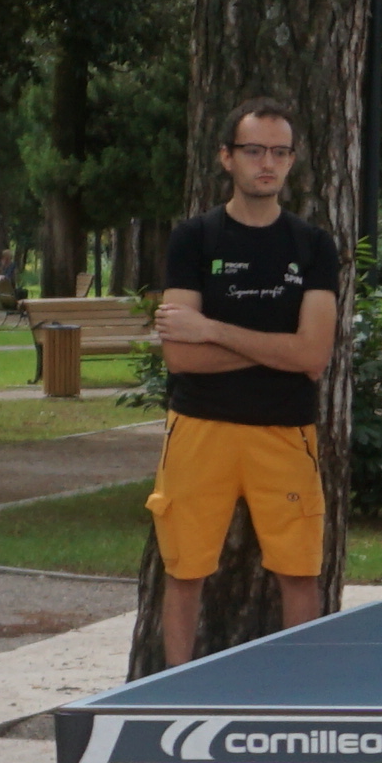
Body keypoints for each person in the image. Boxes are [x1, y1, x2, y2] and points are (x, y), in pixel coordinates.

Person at [150, 98, 346, 657]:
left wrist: (210, 328)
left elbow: (314, 355)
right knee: (185, 570)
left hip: (284, 431)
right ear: (226, 157)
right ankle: (176, 693)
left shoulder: (312, 245)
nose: (268, 163)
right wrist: (277, 349)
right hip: (199, 426)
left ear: (292, 161)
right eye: (254, 150)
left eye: (280, 152)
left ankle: (298, 697)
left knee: (299, 572)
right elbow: (181, 359)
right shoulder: (195, 237)